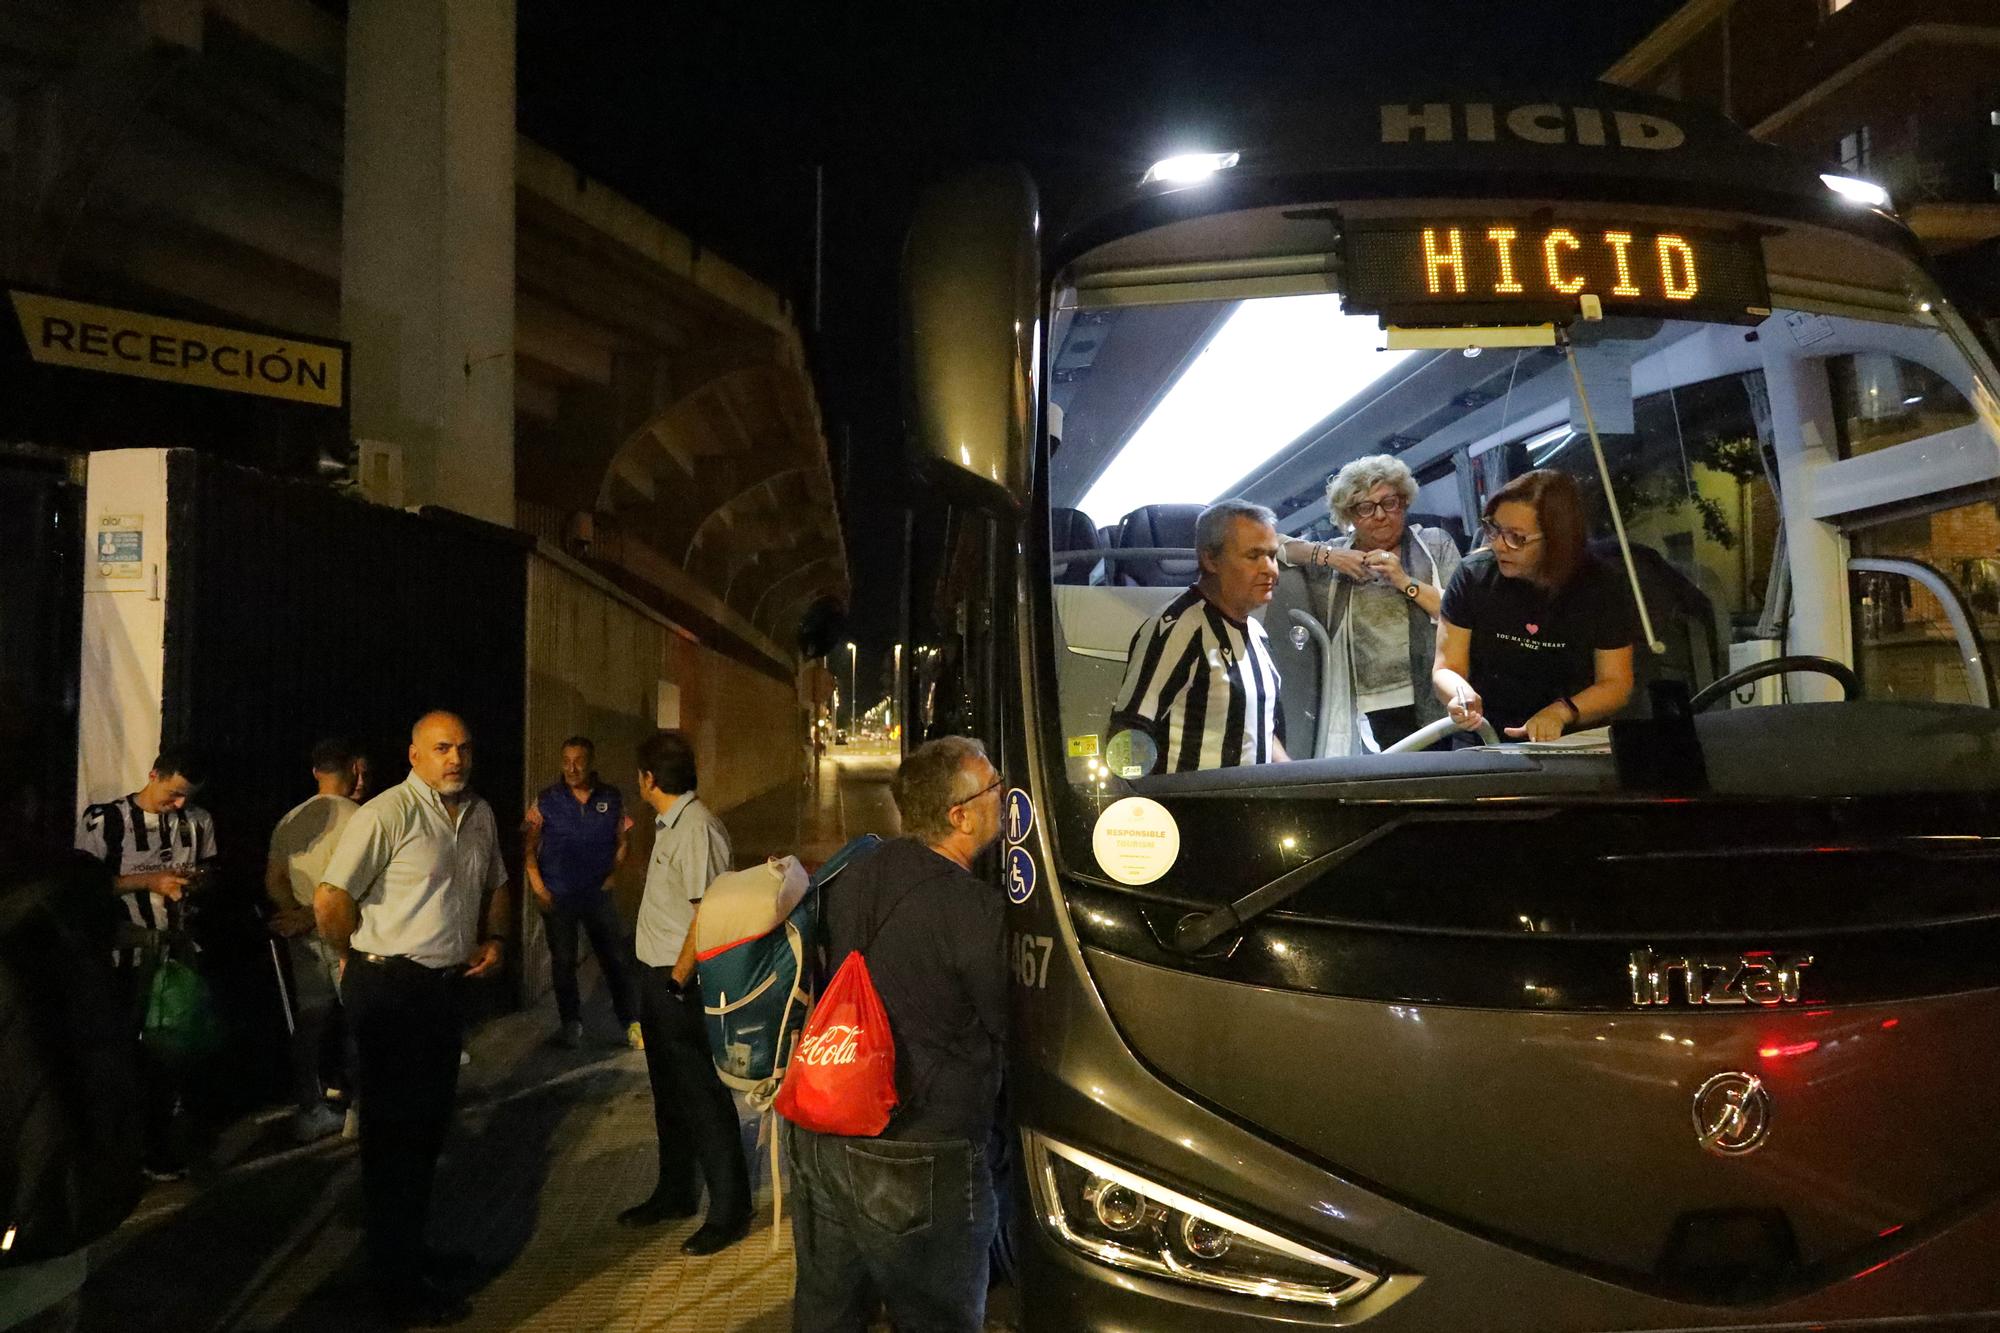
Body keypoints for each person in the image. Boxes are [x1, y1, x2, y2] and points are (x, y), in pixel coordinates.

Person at [786, 736, 1008, 1333]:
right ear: (959, 816)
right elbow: (1011, 1022)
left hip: (821, 1136)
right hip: (917, 1156)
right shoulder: (972, 909)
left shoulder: (852, 873)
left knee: (826, 1316)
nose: (1006, 795)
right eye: (995, 785)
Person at [314, 712, 511, 1326]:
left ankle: (412, 1252)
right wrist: (352, 957)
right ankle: (392, 1286)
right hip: (391, 988)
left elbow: (496, 883)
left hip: (444, 989)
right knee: (393, 1139)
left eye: (464, 747)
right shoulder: (387, 814)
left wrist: (496, 937)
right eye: (442, 748)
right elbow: (330, 898)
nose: (455, 758)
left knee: (426, 1132)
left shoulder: (478, 813)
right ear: (414, 755)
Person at [616, 730, 751, 1255]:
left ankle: (730, 1210)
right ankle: (674, 1192)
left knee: (702, 1097)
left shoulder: (695, 829)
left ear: (649, 779)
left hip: (682, 984)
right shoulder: (672, 825)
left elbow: (708, 912)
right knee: (670, 1098)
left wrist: (677, 979)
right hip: (658, 978)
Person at [73, 746, 218, 1182]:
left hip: (177, 955)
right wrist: (148, 881)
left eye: (185, 799)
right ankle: (108, 1152)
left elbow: (211, 874)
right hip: (122, 957)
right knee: (116, 1056)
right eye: (173, 794)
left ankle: (155, 1147)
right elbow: (84, 888)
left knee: (167, 1055)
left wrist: (196, 884)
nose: (178, 805)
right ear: (153, 774)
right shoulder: (105, 820)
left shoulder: (199, 821)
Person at [1434, 468, 1637, 741]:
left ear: (1557, 540)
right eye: (1494, 529)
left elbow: (1616, 684)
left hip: (1572, 736)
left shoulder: (1600, 585)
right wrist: (1461, 694)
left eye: (1517, 538)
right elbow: (1446, 668)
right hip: (1486, 732)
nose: (1500, 546)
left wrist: (1561, 712)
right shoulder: (1474, 575)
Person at [1282, 455, 1462, 752]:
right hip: (1379, 699)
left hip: (1444, 687)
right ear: (1349, 515)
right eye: (1365, 508)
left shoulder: (1434, 543)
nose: (1380, 515)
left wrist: (1404, 581)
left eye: (1389, 502)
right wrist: (1328, 555)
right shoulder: (1334, 561)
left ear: (1404, 502)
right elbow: (1268, 544)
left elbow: (1459, 614)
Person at [1108, 499, 1288, 774]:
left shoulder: (1257, 634)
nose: (1270, 570)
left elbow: (1260, 728)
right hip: (1193, 810)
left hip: (1251, 808)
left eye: (1272, 556)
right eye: (1253, 556)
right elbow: (1131, 731)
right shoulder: (1179, 628)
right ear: (1210, 559)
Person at [264, 738, 363, 1144]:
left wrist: (296, 914)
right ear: (354, 769)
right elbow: (358, 882)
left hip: (303, 939)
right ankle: (361, 1109)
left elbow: (274, 879)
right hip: (349, 935)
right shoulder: (361, 817)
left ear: (315, 772)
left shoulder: (289, 819)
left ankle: (311, 1109)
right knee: (359, 1021)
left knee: (310, 1022)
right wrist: (314, 917)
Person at [523, 736, 641, 1050]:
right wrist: (538, 886)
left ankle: (630, 1023)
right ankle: (571, 1024)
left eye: (579, 761)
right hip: (558, 894)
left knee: (614, 958)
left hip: (596, 895)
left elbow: (624, 840)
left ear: (591, 763)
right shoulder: (546, 800)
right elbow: (529, 847)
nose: (572, 768)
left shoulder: (611, 798)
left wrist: (613, 876)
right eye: (566, 761)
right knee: (563, 962)